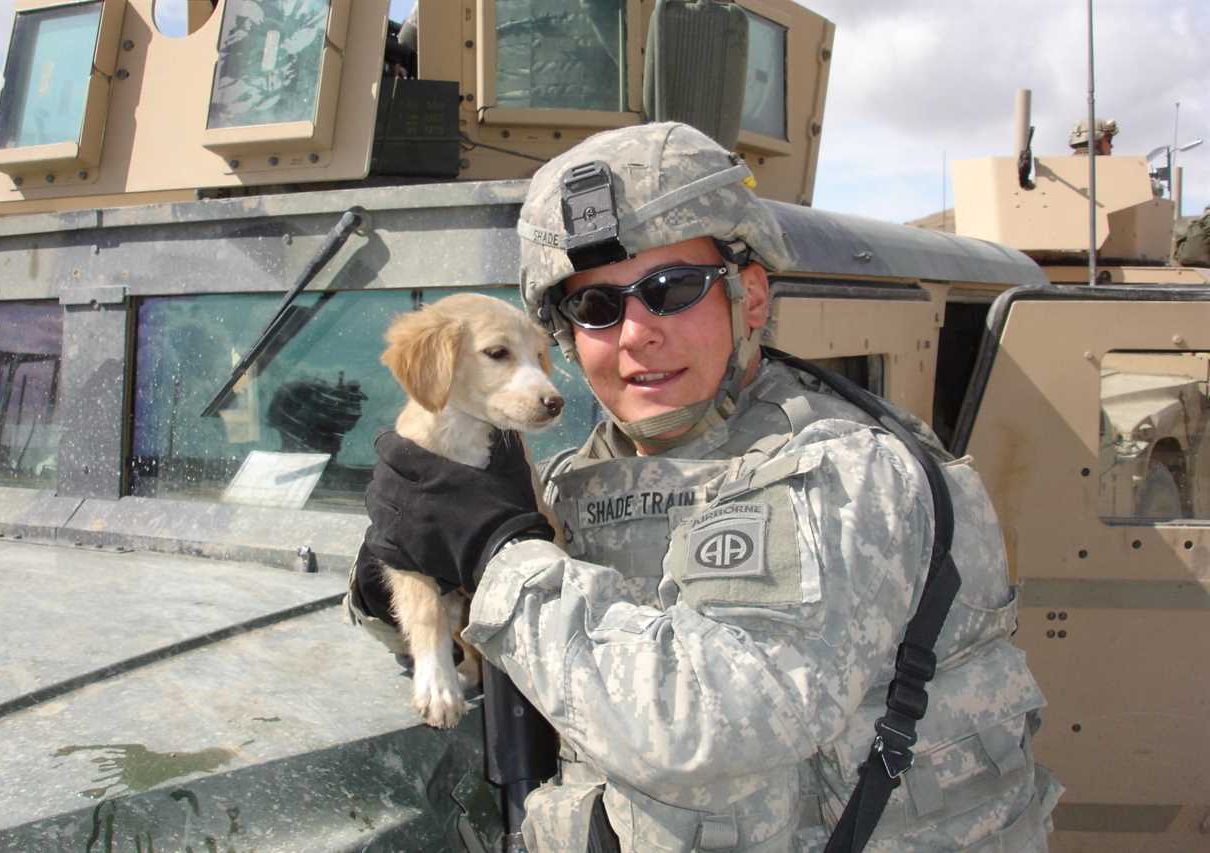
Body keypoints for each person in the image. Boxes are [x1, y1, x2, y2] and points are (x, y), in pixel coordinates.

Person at [356, 122, 1062, 852]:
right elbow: (513, 645)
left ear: (749, 298)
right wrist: (406, 577)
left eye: (670, 290)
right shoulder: (576, 479)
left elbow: (710, 723)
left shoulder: (849, 473)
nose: (634, 334)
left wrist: (495, 556)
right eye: (597, 308)